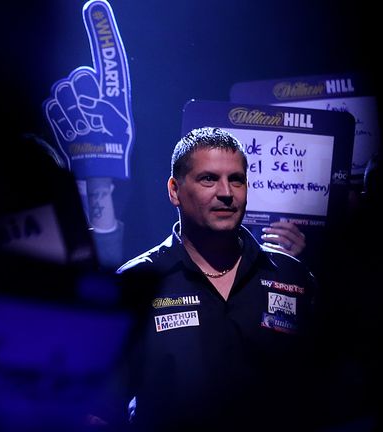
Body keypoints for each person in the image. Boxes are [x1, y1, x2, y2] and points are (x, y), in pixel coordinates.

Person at [115, 127, 321, 431]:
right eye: (208, 178)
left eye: (236, 179)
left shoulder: (292, 277)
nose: (226, 193)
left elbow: (322, 390)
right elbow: (101, 407)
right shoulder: (136, 282)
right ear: (174, 190)